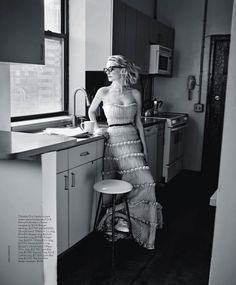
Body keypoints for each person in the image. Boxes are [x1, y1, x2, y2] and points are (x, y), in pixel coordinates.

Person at [88, 55, 162, 250]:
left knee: (146, 182)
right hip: (113, 140)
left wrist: (144, 147)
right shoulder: (103, 91)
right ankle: (119, 219)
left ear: (122, 69)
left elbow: (138, 122)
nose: (107, 72)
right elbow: (91, 111)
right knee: (122, 185)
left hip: (132, 139)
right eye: (106, 69)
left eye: (110, 68)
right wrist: (96, 127)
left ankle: (125, 220)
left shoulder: (135, 93)